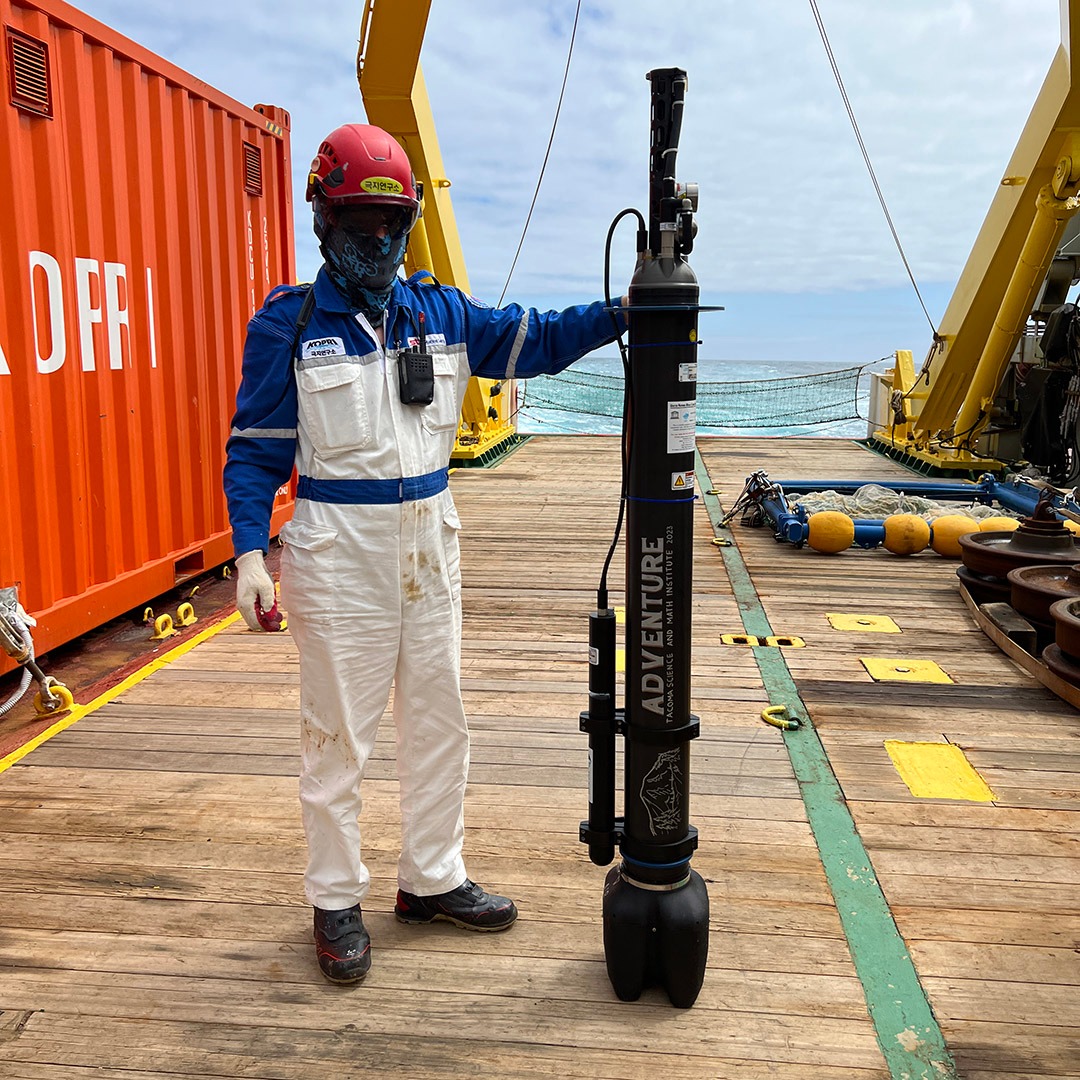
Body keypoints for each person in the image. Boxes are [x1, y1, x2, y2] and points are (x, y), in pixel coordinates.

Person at [224, 123, 625, 985]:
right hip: (339, 551)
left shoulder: (440, 313)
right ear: (325, 224)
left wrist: (620, 314)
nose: (377, 243)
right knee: (338, 734)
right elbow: (256, 448)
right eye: (359, 225)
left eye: (391, 225)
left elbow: (535, 339)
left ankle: (432, 880)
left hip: (429, 544)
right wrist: (250, 557)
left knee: (441, 723)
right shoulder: (287, 325)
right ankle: (335, 900)